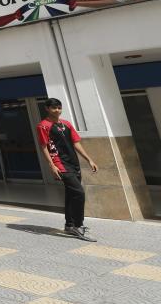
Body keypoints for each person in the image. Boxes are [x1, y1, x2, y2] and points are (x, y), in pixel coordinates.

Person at [37, 98, 98, 241]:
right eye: (53, 108)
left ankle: (69, 225)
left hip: (73, 163)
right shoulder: (43, 126)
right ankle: (78, 225)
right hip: (60, 164)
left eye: (59, 108)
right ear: (47, 108)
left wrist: (89, 160)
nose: (57, 110)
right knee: (79, 193)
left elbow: (76, 143)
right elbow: (44, 146)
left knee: (71, 194)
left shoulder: (67, 124)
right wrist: (52, 165)